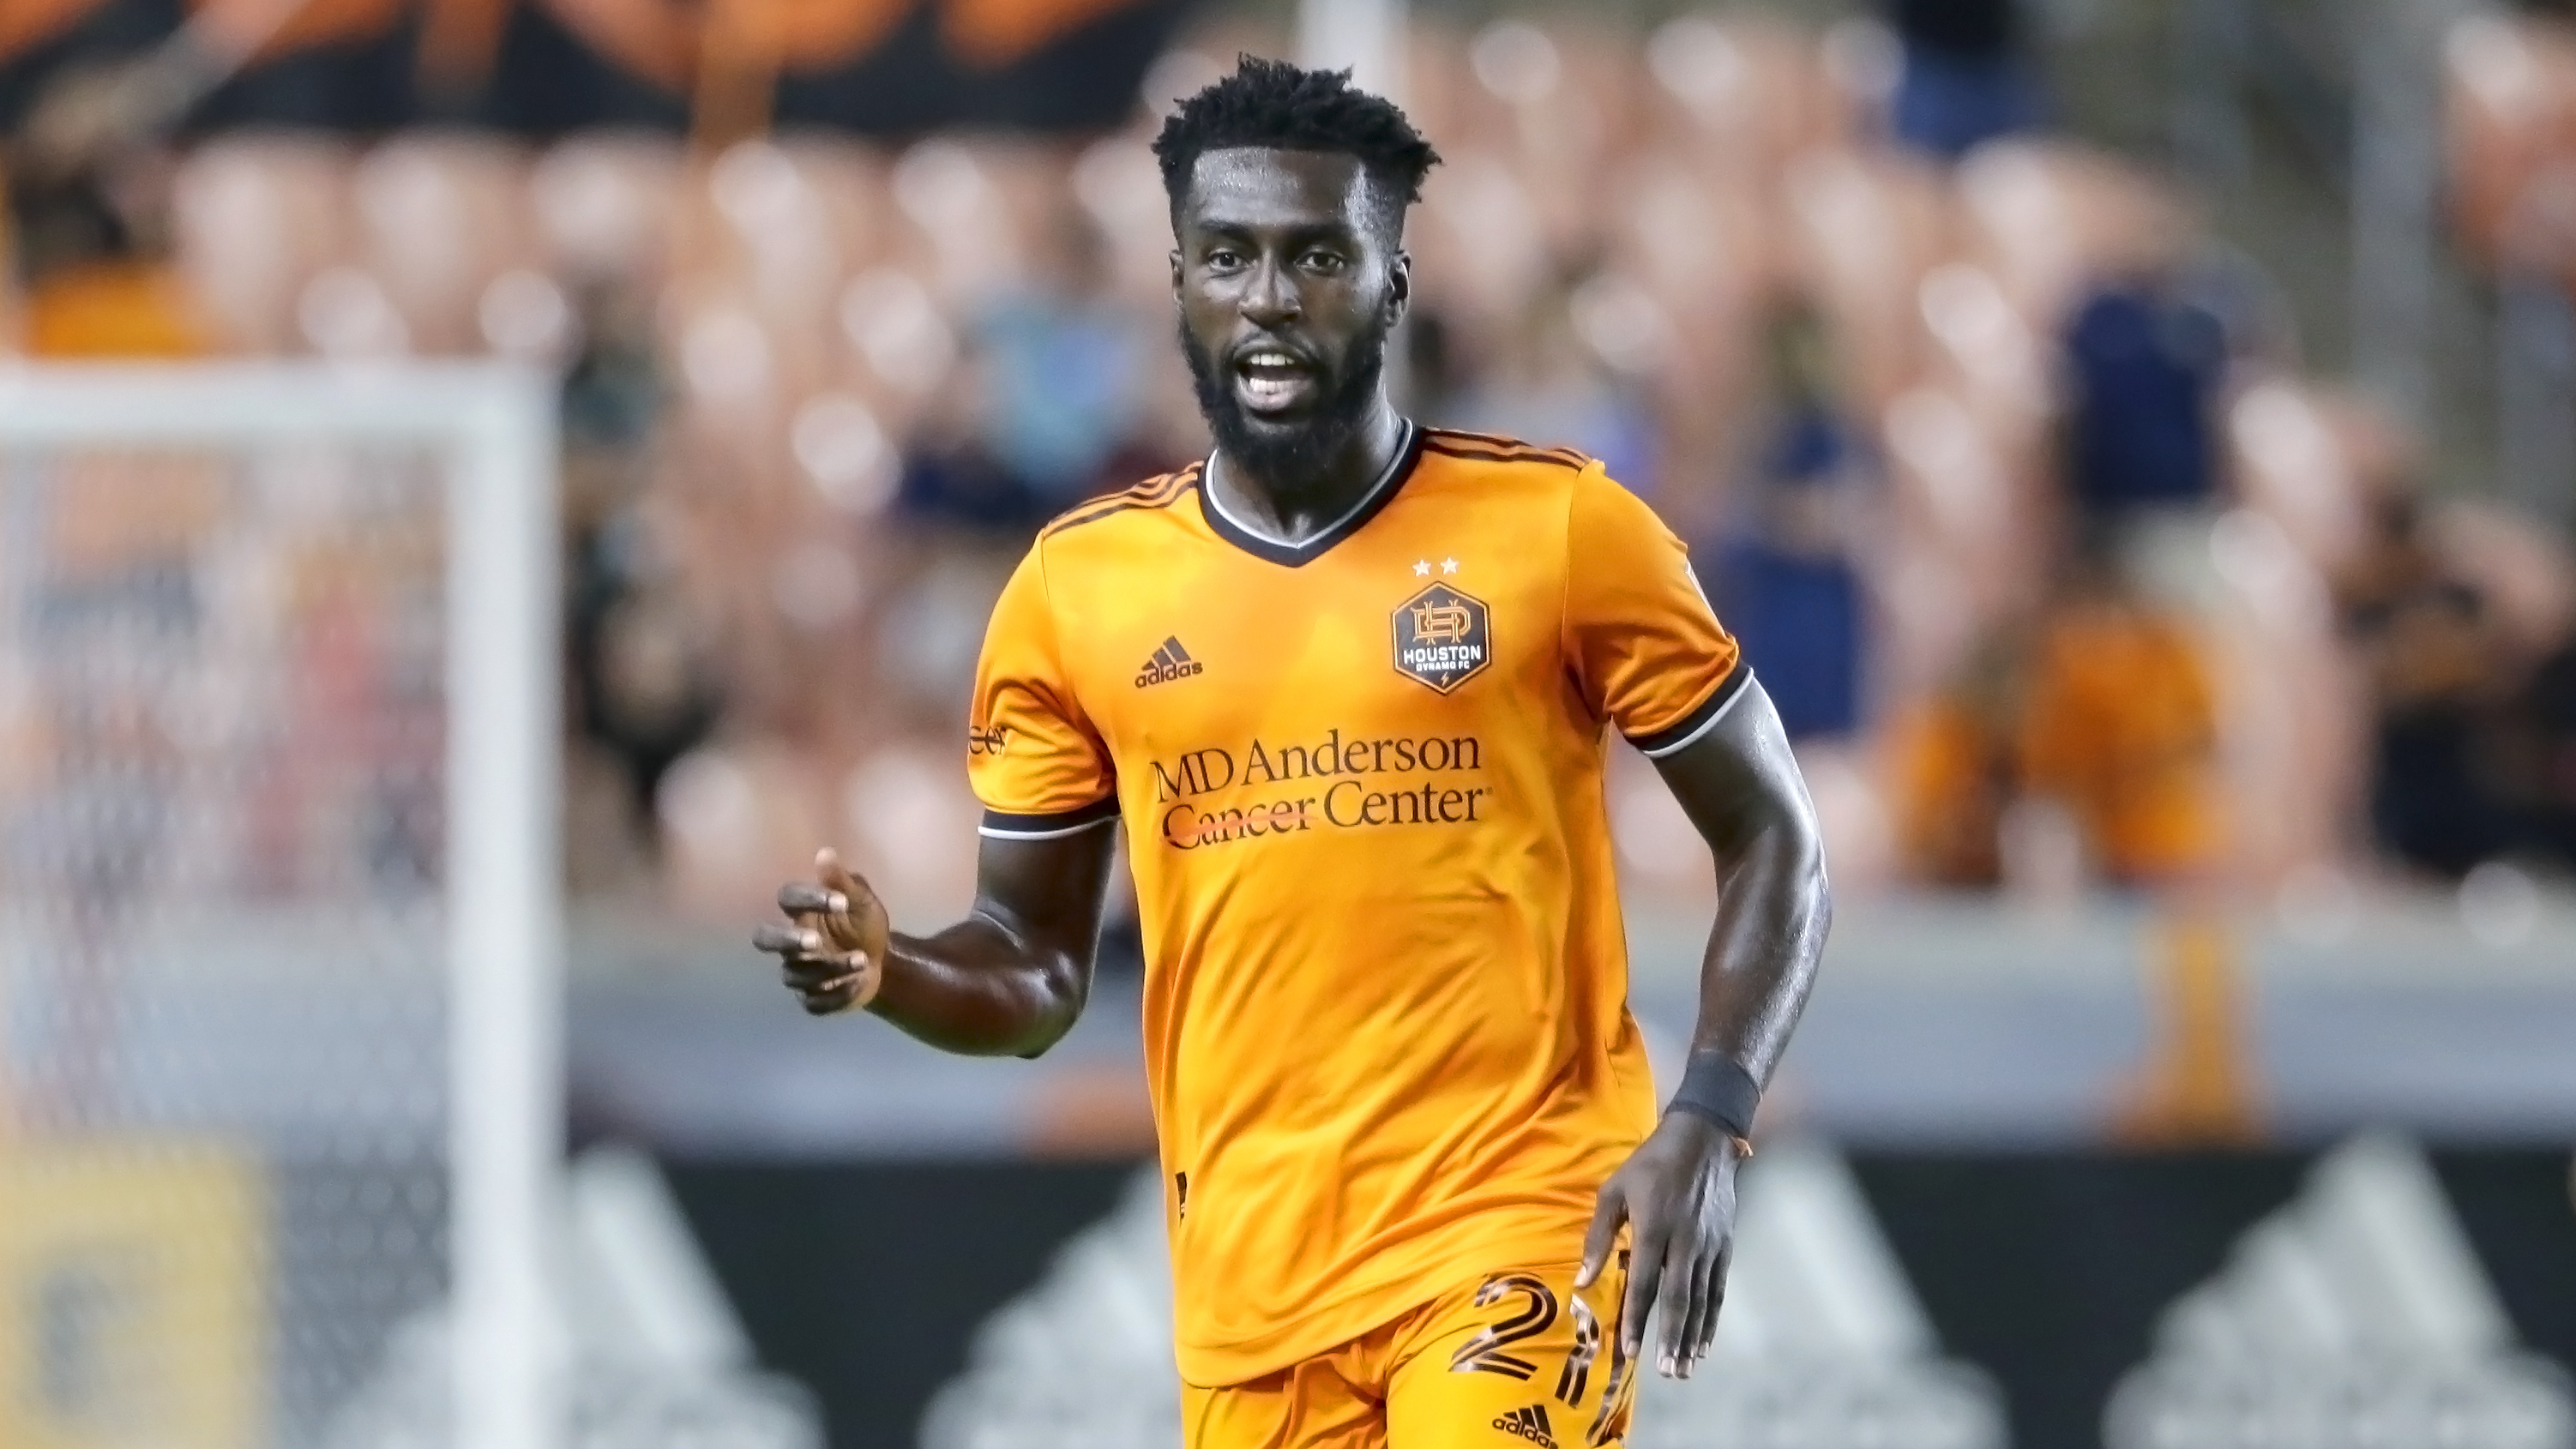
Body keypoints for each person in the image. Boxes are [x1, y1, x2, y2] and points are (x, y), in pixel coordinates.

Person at [754, 58, 1830, 1449]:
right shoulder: (1077, 595)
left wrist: (1713, 1113)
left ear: (1391, 280)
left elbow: (1775, 832)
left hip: (1515, 1225)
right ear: (1181, 285)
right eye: (1229, 257)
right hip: (1252, 1300)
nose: (1269, 294)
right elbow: (1033, 972)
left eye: (1319, 255)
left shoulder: (1563, 534)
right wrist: (891, 969)